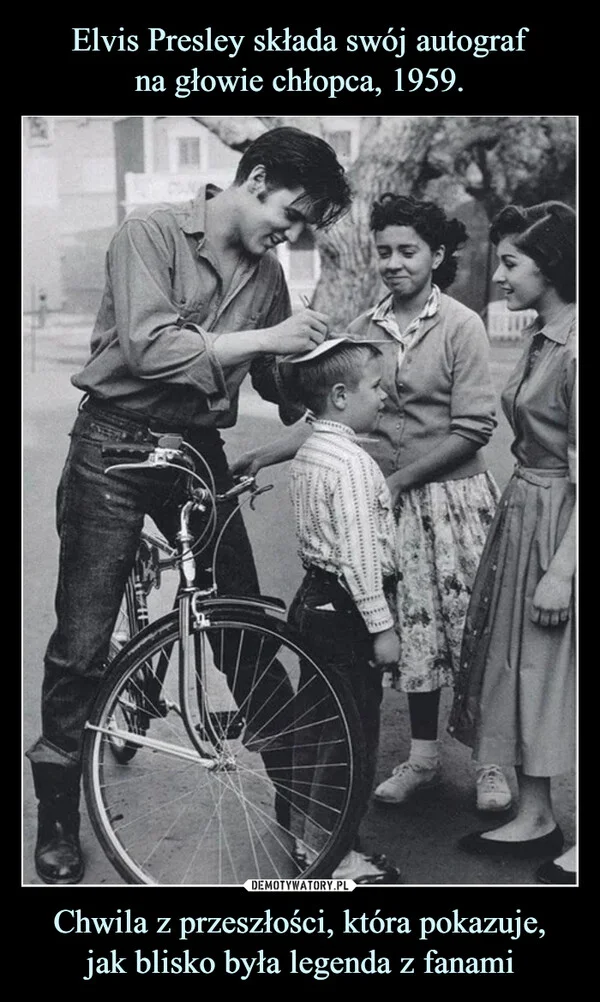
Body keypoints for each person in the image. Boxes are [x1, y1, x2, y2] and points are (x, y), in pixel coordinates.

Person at [26, 126, 352, 884]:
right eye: (294, 213)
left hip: (194, 447)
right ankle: (56, 816)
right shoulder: (150, 232)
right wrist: (266, 335)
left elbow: (272, 381)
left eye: (304, 225)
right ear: (258, 176)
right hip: (112, 443)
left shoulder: (269, 276)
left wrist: (322, 359)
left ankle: (295, 801)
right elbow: (150, 347)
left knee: (239, 617)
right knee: (80, 641)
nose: (292, 232)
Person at [236, 194, 511, 813]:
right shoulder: (364, 328)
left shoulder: (462, 324)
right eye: (383, 250)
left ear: (437, 256)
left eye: (408, 251)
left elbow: (473, 428)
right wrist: (264, 454)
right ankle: (423, 757)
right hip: (384, 506)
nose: (393, 263)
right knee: (413, 635)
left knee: (471, 633)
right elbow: (329, 417)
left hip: (450, 501)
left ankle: (492, 762)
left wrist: (399, 480)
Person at [449, 202, 576, 869]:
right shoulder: (540, 332)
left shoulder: (578, 344)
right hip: (527, 508)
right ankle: (535, 814)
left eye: (510, 262)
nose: (498, 275)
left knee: (565, 672)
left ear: (549, 265)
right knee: (529, 669)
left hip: (563, 519)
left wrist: (563, 569)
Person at [284, 337, 401, 883]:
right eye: (375, 387)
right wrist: (381, 627)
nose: (383, 396)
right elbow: (358, 559)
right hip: (348, 612)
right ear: (338, 395)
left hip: (313, 603)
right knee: (351, 736)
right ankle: (335, 858)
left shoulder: (311, 452)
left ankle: (309, 842)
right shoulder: (351, 463)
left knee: (318, 727)